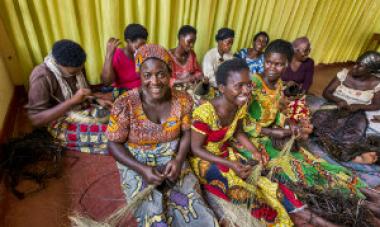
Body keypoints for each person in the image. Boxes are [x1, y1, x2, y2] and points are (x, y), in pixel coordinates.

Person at [190, 58, 337, 227]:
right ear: (222, 88)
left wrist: (254, 151)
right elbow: (195, 149)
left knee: (267, 183)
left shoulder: (239, 105)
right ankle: (284, 220)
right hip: (206, 161)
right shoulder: (206, 112)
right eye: (239, 86)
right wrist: (229, 164)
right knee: (243, 190)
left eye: (248, 84)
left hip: (226, 154)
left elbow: (237, 131)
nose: (246, 91)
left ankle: (308, 216)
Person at [106, 44, 217, 227]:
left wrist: (179, 160)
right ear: (140, 76)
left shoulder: (183, 100)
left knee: (194, 206)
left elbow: (186, 132)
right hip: (136, 159)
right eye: (147, 75)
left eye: (161, 74)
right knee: (151, 212)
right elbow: (113, 144)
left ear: (170, 74)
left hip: (172, 156)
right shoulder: (125, 104)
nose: (155, 81)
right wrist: (142, 169)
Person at [238, 39, 365, 197]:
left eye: (278, 64)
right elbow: (241, 123)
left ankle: (353, 188)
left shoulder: (278, 84)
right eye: (269, 62)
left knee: (310, 161)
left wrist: (286, 121)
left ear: (287, 65)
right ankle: (342, 192)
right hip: (251, 138)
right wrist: (271, 132)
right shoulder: (253, 85)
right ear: (264, 60)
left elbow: (274, 111)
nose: (272, 68)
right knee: (294, 168)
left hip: (269, 133)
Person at [26, 39, 112, 154]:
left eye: (80, 69)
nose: (79, 72)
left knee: (120, 117)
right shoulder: (42, 76)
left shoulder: (77, 66)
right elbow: (35, 119)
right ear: (60, 65)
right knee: (112, 136)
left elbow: (84, 91)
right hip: (58, 120)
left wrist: (97, 99)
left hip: (83, 108)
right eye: (73, 73)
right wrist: (71, 102)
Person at [101, 24, 148, 98]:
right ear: (128, 41)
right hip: (123, 92)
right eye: (138, 46)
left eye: (144, 45)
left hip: (141, 90)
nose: (141, 48)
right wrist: (108, 55)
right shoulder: (117, 55)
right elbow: (107, 82)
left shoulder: (141, 54)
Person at [169, 25, 203, 92]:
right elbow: (165, 80)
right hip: (173, 92)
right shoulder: (168, 56)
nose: (192, 45)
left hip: (189, 90)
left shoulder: (192, 54)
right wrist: (184, 80)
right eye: (189, 41)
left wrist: (195, 77)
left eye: (193, 42)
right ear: (180, 38)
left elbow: (198, 71)